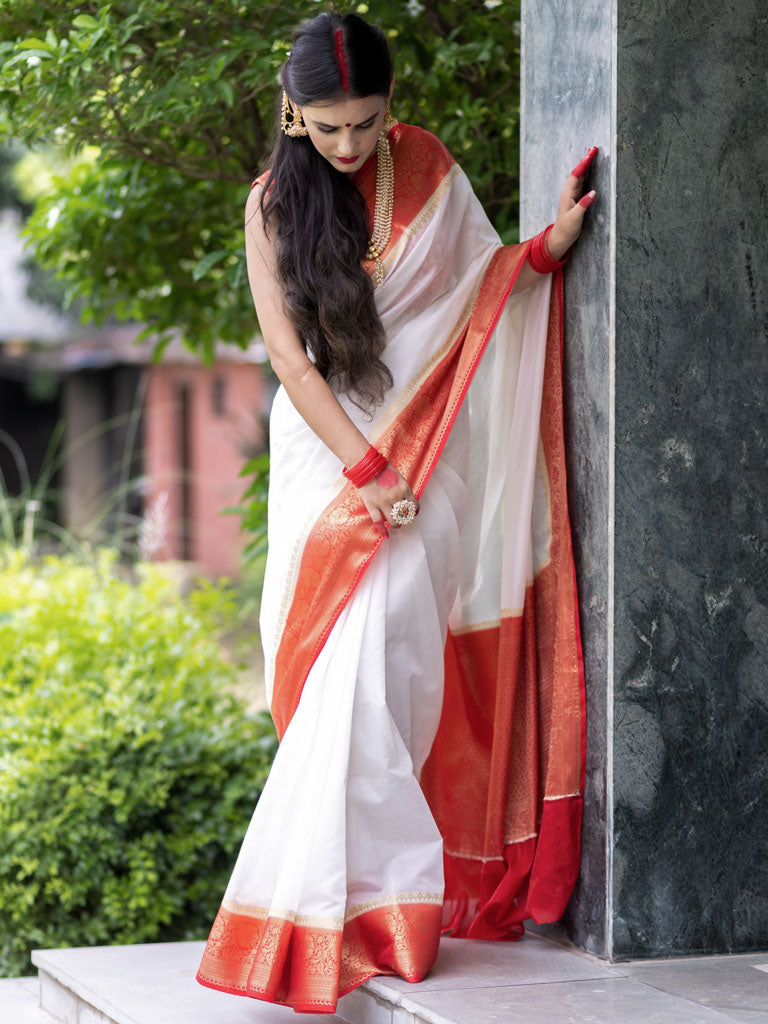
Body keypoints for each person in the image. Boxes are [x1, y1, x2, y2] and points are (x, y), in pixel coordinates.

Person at [196, 10, 595, 1015]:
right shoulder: (272, 206)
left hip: (428, 436)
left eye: (364, 123)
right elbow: (290, 361)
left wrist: (544, 248)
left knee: (398, 653)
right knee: (345, 657)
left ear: (390, 108)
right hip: (334, 450)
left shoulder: (425, 168)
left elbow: (473, 287)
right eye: (326, 126)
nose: (347, 145)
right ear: (293, 112)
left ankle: (381, 896)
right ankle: (345, 905)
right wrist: (368, 468)